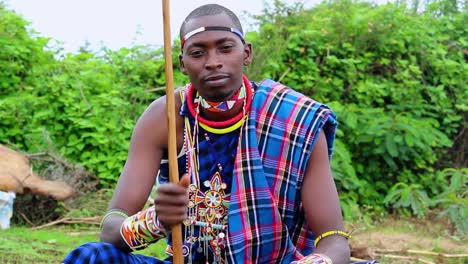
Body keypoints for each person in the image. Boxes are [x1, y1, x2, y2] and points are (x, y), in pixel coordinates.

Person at [64, 4, 376, 264]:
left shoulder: (295, 119)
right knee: (91, 257)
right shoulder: (164, 117)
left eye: (225, 48)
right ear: (183, 63)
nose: (213, 62)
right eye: (197, 52)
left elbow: (333, 241)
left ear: (247, 53)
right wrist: (155, 220)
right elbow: (110, 228)